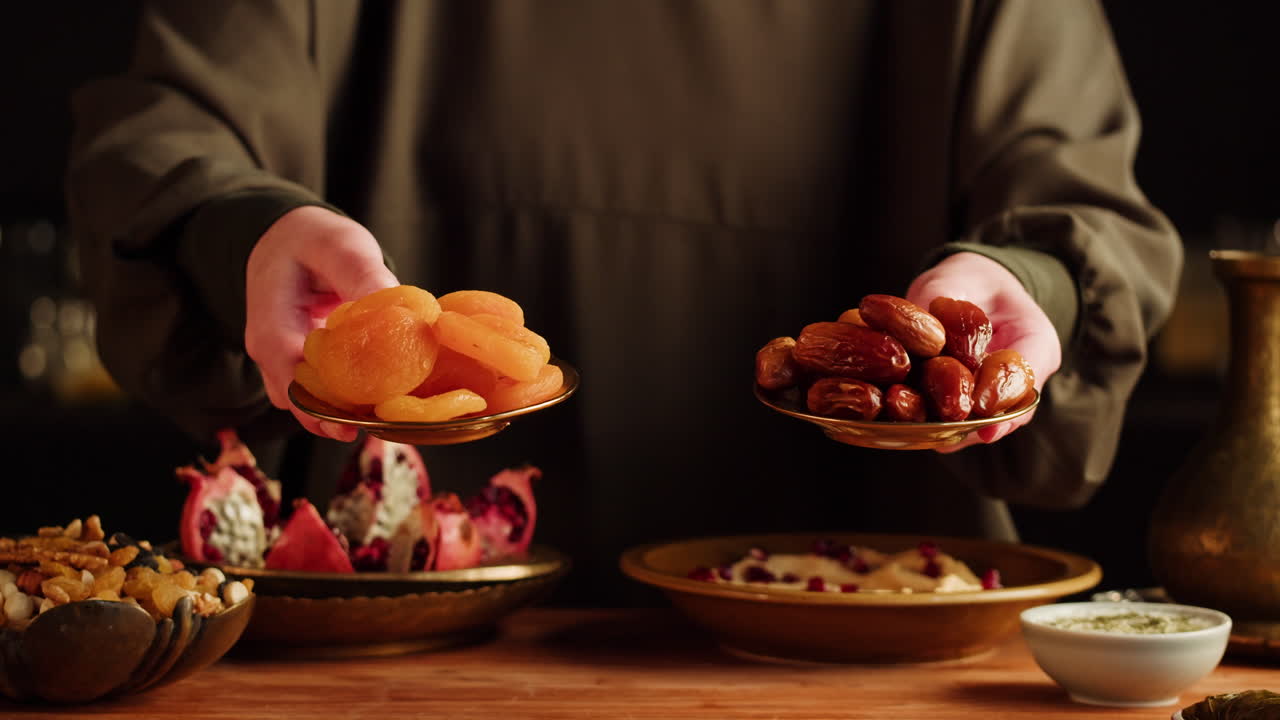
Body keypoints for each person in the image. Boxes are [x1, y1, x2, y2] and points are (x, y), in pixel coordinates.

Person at [66, 0, 1181, 603]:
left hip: (861, 643)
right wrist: (245, 231)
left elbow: (1077, 215)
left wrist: (1020, 293)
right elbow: (167, 138)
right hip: (398, 630)